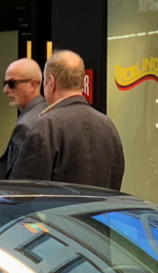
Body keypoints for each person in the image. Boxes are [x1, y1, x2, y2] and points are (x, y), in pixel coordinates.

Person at [8, 50, 125, 190]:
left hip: (55, 211)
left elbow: (24, 192)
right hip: (99, 212)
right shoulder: (108, 126)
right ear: (82, 81)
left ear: (51, 83)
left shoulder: (46, 126)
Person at [0, 58, 47, 179]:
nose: (6, 90)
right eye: (5, 84)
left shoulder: (26, 125)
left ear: (33, 84)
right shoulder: (48, 112)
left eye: (12, 83)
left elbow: (22, 180)